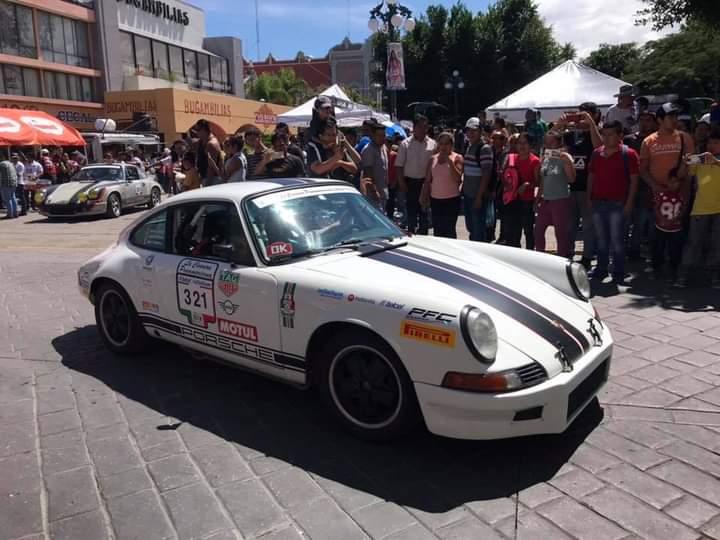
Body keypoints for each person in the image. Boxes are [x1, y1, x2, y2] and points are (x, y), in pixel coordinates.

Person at [640, 102, 695, 281]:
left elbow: (691, 167)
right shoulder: (649, 141)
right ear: (660, 120)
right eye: (670, 117)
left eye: (675, 116)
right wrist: (655, 186)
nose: (674, 120)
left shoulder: (684, 138)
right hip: (657, 196)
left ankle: (675, 268)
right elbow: (643, 169)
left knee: (677, 235)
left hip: (680, 194)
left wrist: (683, 188)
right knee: (656, 235)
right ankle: (657, 267)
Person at [587, 121, 640, 283]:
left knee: (617, 239)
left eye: (611, 134)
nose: (607, 137)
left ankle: (619, 271)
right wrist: (589, 198)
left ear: (620, 136)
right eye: (605, 134)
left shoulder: (628, 154)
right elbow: (591, 176)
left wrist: (630, 202)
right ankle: (601, 269)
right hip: (598, 202)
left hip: (618, 203)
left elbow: (634, 180)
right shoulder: (596, 153)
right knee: (601, 239)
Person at [555, 102, 603, 269]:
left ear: (595, 115)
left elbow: (600, 148)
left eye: (585, 115)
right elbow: (550, 143)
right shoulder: (570, 135)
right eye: (579, 114)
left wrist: (591, 124)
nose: (580, 118)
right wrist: (559, 125)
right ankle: (568, 253)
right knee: (570, 224)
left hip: (588, 187)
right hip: (570, 185)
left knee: (588, 225)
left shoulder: (596, 133)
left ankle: (588, 256)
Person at [675, 129, 720, 288]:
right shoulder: (700, 161)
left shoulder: (715, 161)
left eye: (716, 143)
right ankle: (683, 275)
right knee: (693, 243)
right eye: (710, 143)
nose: (712, 146)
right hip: (700, 209)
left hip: (718, 210)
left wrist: (715, 161)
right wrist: (685, 161)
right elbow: (683, 176)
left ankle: (715, 276)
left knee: (717, 244)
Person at [535, 132, 576, 257]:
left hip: (560, 199)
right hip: (546, 199)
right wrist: (537, 198)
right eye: (546, 142)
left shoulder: (564, 156)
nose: (548, 145)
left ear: (559, 143)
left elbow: (571, 179)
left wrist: (569, 163)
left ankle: (562, 258)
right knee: (538, 230)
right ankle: (540, 256)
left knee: (560, 233)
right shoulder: (546, 157)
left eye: (551, 142)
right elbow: (543, 180)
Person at [624, 110, 658, 260]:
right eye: (642, 120)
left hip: (650, 186)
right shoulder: (630, 140)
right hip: (630, 185)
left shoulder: (658, 141)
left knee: (646, 223)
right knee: (630, 223)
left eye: (648, 120)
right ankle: (630, 251)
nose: (645, 123)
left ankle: (646, 252)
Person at [396, 114, 437, 235]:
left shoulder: (433, 144)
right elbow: (399, 166)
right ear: (414, 128)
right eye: (420, 127)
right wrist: (402, 183)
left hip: (426, 183)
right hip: (410, 183)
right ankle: (412, 233)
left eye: (425, 127)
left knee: (424, 211)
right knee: (411, 211)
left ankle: (424, 234)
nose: (423, 130)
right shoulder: (405, 144)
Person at [421, 132, 463, 238]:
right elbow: (427, 180)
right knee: (438, 229)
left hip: (451, 200)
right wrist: (424, 195)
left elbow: (458, 179)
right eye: (441, 143)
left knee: (449, 230)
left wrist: (450, 162)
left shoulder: (457, 158)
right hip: (435, 200)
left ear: (451, 145)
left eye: (446, 144)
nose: (443, 146)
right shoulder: (432, 159)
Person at [503, 133, 540, 249]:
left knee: (528, 230)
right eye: (519, 143)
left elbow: (538, 182)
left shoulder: (535, 161)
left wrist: (528, 185)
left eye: (525, 143)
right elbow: (503, 176)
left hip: (527, 201)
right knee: (513, 231)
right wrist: (507, 183)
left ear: (530, 145)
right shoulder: (511, 159)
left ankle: (530, 254)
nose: (521, 146)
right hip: (512, 200)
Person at [462, 117, 493, 241]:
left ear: (480, 131)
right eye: (468, 130)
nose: (471, 133)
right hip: (468, 194)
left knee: (478, 230)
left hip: (477, 196)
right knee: (471, 228)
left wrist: (479, 197)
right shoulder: (469, 146)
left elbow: (486, 174)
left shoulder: (484, 149)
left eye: (474, 130)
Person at [307, 117, 359, 182]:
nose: (332, 138)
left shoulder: (337, 148)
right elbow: (317, 170)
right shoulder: (315, 149)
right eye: (328, 135)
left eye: (334, 135)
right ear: (321, 136)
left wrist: (341, 163)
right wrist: (336, 158)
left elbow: (354, 168)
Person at [360, 120, 389, 211]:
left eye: (383, 135)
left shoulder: (383, 147)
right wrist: (374, 191)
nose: (382, 138)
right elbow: (368, 173)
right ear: (372, 136)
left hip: (383, 191)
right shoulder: (368, 150)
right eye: (379, 135)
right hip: (373, 194)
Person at [195, 119, 224, 186]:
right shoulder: (201, 142)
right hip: (204, 178)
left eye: (198, 130)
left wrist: (207, 184)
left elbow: (211, 167)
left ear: (204, 129)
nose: (196, 132)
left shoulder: (211, 144)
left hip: (212, 180)